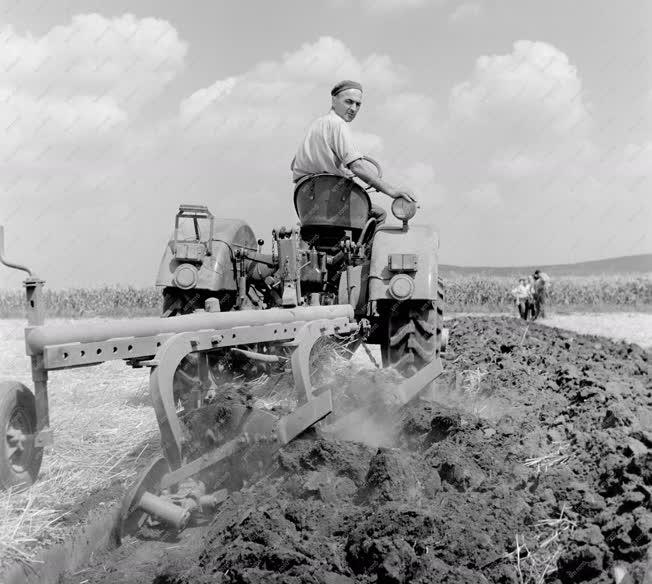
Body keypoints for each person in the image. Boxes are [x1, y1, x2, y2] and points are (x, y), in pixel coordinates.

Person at [291, 80, 416, 224]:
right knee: (379, 215)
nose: (353, 108)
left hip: (306, 204)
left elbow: (294, 165)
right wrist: (392, 191)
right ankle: (362, 247)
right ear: (334, 100)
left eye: (358, 104)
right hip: (331, 202)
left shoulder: (316, 125)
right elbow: (356, 166)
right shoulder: (338, 124)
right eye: (348, 102)